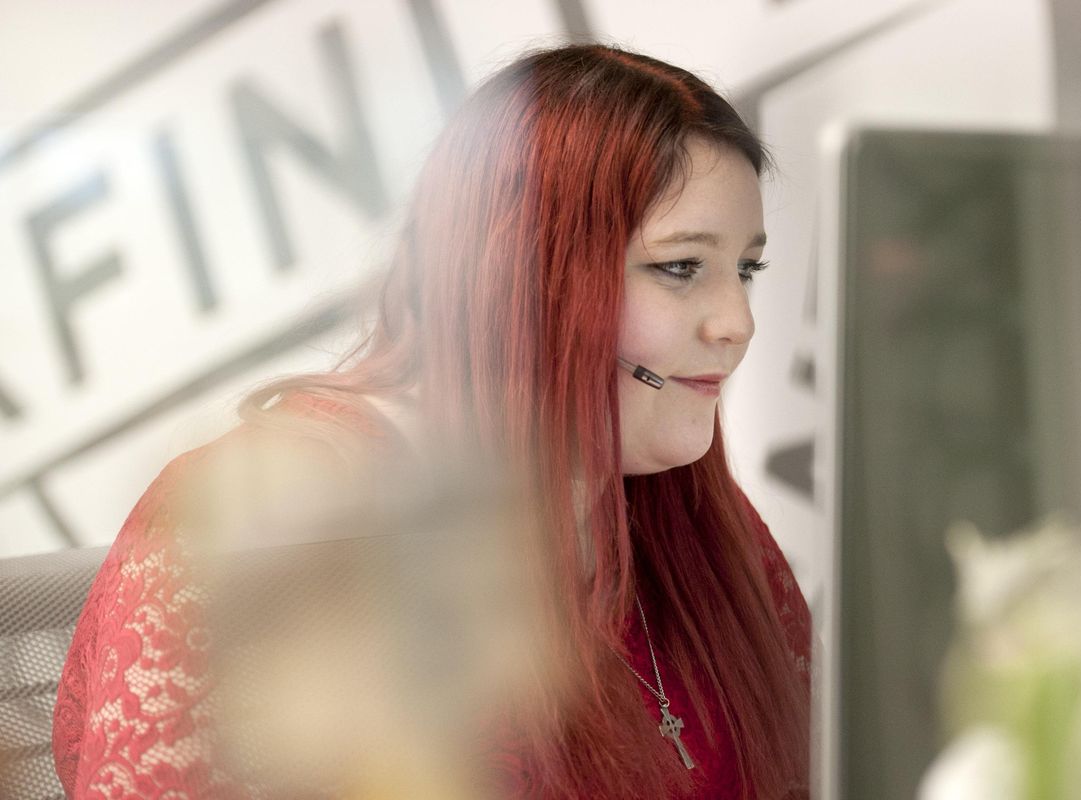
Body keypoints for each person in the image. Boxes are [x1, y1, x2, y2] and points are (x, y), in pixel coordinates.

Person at [51, 43, 812, 799]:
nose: (737, 322)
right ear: (522, 273)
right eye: (679, 267)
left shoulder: (694, 516)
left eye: (745, 268)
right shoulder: (277, 519)